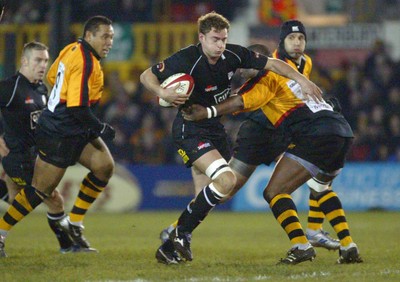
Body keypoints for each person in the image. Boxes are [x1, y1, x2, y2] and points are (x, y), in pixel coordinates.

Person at [140, 11, 322, 264]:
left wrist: (301, 79)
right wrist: (162, 91)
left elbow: (272, 63)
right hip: (190, 129)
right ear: (201, 37)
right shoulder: (186, 58)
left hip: (215, 130)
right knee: (226, 180)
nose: (220, 45)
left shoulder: (233, 55)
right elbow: (146, 75)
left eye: (224, 39)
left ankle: (171, 246)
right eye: (215, 39)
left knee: (209, 195)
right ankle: (179, 235)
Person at [182, 43, 363, 264]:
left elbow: (239, 101)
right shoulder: (291, 75)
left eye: (246, 64)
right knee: (320, 187)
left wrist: (206, 111)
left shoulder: (265, 79)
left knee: (274, 192)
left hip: (314, 133)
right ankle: (347, 246)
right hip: (341, 131)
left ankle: (301, 246)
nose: (241, 68)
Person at [0, 15, 116, 257]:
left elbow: (52, 77)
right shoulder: (84, 61)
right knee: (40, 191)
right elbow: (76, 108)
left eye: (112, 37)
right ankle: (1, 233)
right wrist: (101, 127)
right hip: (60, 132)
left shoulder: (72, 49)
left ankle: (74, 226)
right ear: (90, 35)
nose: (110, 42)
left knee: (104, 166)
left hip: (74, 127)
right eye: (105, 36)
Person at [272, 20, 341, 251]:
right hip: (273, 123)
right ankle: (309, 236)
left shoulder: (307, 62)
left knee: (321, 177)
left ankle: (312, 232)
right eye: (291, 38)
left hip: (300, 127)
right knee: (275, 191)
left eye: (301, 38)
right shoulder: (274, 65)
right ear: (282, 42)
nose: (297, 42)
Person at [0, 41, 74, 254]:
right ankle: (68, 246)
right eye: (38, 60)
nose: (43, 65)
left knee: (21, 201)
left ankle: (68, 247)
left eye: (45, 60)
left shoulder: (42, 88)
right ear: (24, 61)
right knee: (48, 196)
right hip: (18, 158)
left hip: (35, 156)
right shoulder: (10, 87)